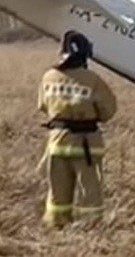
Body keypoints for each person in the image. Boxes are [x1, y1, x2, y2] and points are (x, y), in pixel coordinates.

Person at [37, 30, 117, 227]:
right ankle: (89, 225)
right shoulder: (93, 80)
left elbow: (42, 106)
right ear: (84, 55)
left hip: (57, 142)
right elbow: (108, 111)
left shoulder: (48, 77)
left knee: (58, 189)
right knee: (89, 189)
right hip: (86, 145)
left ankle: (57, 223)